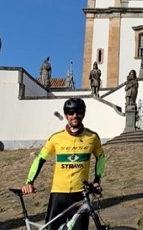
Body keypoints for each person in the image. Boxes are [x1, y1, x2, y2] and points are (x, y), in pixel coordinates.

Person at [21, 98, 106, 230]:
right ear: (66, 115)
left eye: (78, 112)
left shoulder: (92, 137)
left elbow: (101, 157)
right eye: (71, 112)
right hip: (58, 194)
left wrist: (97, 180)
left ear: (83, 113)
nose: (75, 115)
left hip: (80, 194)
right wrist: (29, 182)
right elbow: (40, 159)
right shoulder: (56, 138)